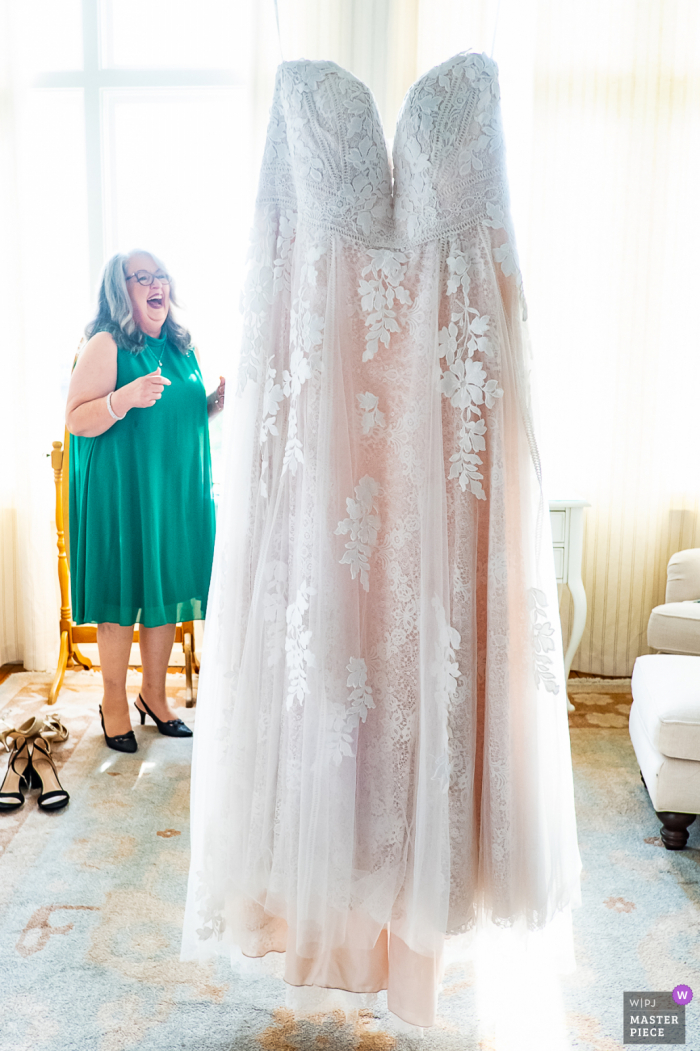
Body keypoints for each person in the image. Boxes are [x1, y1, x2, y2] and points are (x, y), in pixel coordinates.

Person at [65, 250, 223, 753]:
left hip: (171, 489)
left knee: (165, 591)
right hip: (121, 490)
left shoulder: (181, 345)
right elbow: (77, 419)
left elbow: (173, 415)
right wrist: (122, 398)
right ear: (121, 289)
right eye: (143, 277)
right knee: (122, 592)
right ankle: (113, 702)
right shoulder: (106, 343)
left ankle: (154, 697)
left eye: (161, 276)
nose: (157, 284)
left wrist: (210, 408)